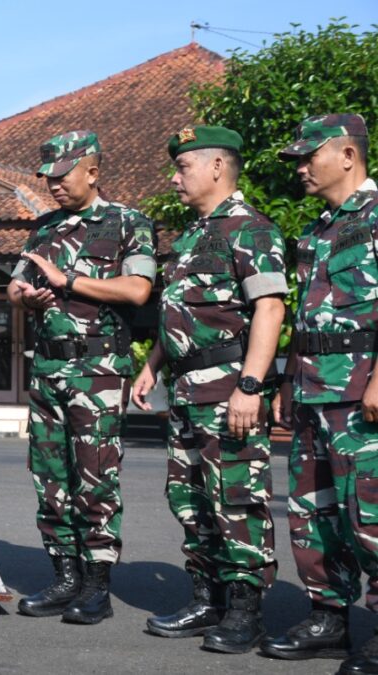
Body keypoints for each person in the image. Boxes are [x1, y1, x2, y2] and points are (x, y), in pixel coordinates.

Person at [133, 126, 286, 654]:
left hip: (227, 387)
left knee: (236, 498)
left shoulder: (250, 229)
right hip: (185, 388)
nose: (175, 178)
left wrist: (250, 385)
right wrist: (152, 364)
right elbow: (180, 313)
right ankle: (207, 598)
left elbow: (269, 307)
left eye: (184, 168)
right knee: (191, 498)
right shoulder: (194, 235)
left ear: (218, 167)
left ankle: (246, 611)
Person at [8, 130, 156, 625]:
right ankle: (64, 575)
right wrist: (24, 298)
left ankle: (97, 585)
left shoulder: (126, 223)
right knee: (50, 479)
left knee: (94, 477)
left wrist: (67, 281)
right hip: (47, 367)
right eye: (47, 176)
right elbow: (15, 284)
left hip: (98, 370)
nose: (53, 185)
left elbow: (137, 290)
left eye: (62, 175)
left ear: (92, 172)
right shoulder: (43, 228)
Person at [260, 114, 377, 672]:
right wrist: (284, 381)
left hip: (362, 396)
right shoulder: (317, 230)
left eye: (310, 157)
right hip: (310, 394)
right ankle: (328, 619)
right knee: (313, 514)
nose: (301, 168)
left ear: (349, 156)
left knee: (370, 515)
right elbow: (303, 320)